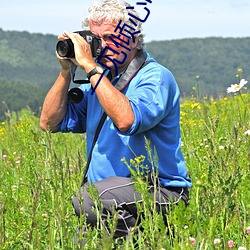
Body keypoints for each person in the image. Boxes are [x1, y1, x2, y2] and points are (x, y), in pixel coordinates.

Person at [40, 0, 192, 244]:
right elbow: (49, 123)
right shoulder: (101, 80)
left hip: (160, 192)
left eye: (109, 37)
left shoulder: (154, 77)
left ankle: (146, 241)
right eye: (95, 37)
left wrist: (90, 67)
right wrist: (66, 70)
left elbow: (127, 120)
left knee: (88, 200)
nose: (101, 46)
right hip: (110, 199)